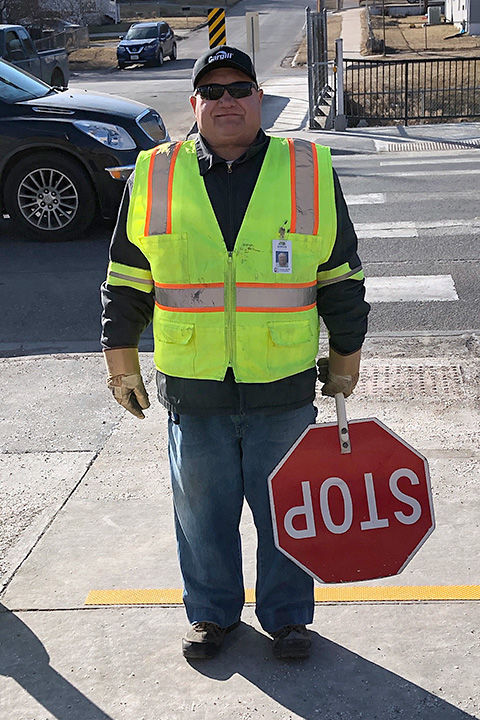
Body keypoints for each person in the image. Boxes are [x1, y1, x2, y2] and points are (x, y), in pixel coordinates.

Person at [101, 45, 370, 661]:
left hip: (283, 383)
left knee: (287, 513)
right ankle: (213, 616)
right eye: (213, 91)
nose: (227, 101)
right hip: (194, 388)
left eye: (240, 89)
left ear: (260, 99)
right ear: (194, 103)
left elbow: (339, 275)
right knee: (202, 517)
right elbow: (127, 279)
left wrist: (347, 356)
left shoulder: (307, 168)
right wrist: (121, 361)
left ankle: (287, 619)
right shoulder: (154, 172)